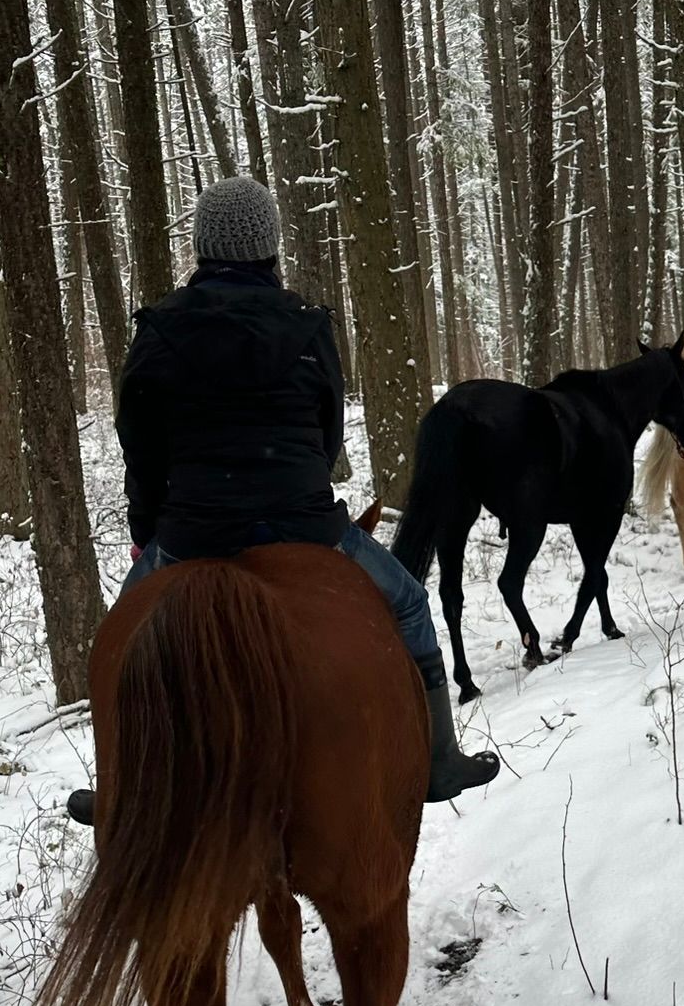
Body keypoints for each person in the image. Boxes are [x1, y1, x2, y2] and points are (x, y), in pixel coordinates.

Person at [66, 176, 498, 821]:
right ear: (269, 246)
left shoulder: (158, 330)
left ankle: (122, 787)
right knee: (409, 603)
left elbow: (141, 446)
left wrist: (148, 530)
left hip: (194, 531)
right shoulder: (306, 324)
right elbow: (327, 434)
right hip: (302, 525)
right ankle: (439, 760)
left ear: (202, 246)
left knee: (120, 643)